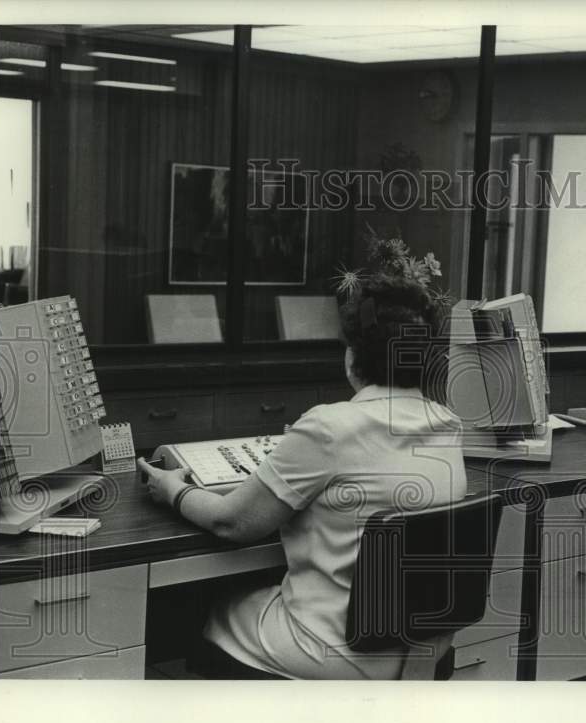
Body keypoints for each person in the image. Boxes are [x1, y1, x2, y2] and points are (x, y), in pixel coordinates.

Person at [138, 257, 466, 679]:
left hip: (337, 655)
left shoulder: (329, 428)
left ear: (352, 359)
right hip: (422, 654)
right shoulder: (448, 424)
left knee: (212, 612)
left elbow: (230, 523)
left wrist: (172, 490)